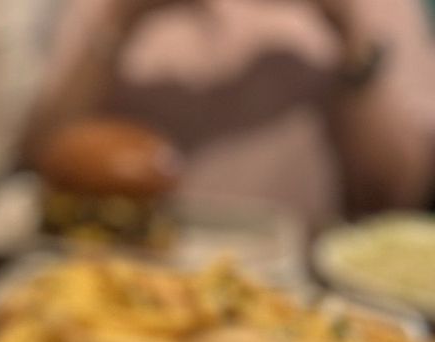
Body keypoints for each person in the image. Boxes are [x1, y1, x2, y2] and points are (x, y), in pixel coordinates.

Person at [22, 0, 435, 230]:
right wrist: (123, 15)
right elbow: (40, 157)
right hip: (115, 260)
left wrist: (348, 23)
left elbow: (395, 193)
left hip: (298, 278)